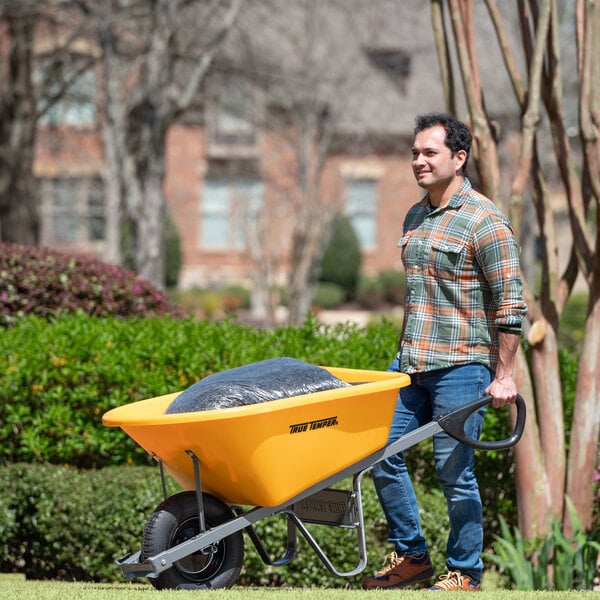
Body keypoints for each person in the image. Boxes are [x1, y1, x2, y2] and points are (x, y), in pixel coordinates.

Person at [362, 113, 527, 592]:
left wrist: (505, 374)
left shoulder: (485, 220)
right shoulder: (415, 215)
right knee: (379, 451)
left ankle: (465, 573)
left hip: (462, 366)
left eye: (429, 152)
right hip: (410, 363)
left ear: (459, 157)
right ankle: (412, 556)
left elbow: (511, 302)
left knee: (454, 470)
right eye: (414, 152)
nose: (418, 161)